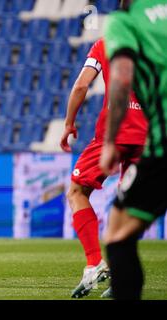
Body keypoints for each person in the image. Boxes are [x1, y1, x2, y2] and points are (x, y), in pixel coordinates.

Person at [60, 36, 147, 298]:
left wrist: (69, 123)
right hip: (148, 136)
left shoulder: (106, 42)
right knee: (128, 208)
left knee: (77, 192)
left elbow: (81, 85)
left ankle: (95, 261)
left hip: (112, 132)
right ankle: (122, 276)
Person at [100, 0, 167, 300]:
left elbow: (122, 76)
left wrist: (110, 142)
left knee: (117, 234)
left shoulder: (124, 21)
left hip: (162, 145)